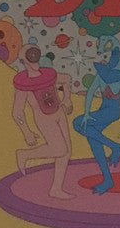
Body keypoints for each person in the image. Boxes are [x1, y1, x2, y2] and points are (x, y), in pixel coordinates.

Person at [73, 34, 120, 195]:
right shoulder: (101, 75)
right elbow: (90, 92)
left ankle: (114, 146)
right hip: (102, 112)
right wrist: (87, 113)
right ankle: (108, 179)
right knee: (93, 139)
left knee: (77, 123)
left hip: (113, 113)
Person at [12, 44, 74, 199]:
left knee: (66, 152)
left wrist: (67, 98)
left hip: (59, 113)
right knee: (60, 149)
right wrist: (26, 132)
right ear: (24, 61)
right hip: (44, 117)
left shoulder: (48, 75)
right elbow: (17, 112)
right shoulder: (24, 84)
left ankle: (56, 189)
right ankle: (25, 155)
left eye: (35, 54)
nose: (34, 58)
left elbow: (66, 79)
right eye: (30, 56)